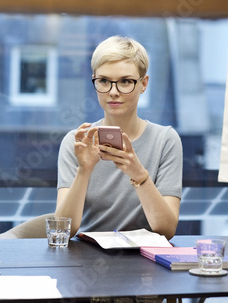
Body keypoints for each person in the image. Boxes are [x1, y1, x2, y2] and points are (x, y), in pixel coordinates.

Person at [55, 36, 182, 240]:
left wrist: (139, 174)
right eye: (104, 81)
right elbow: (62, 231)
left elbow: (166, 229)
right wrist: (84, 170)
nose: (113, 92)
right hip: (87, 258)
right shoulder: (77, 142)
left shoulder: (165, 140)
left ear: (143, 84)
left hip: (145, 261)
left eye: (125, 81)